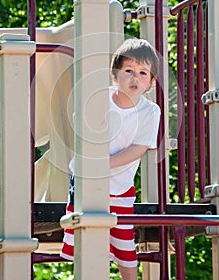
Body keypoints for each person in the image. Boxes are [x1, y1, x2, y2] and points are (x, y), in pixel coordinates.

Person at [61, 38, 161, 280]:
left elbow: (138, 148)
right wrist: (93, 163)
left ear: (151, 82)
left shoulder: (149, 111)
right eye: (128, 71)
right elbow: (79, 120)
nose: (135, 77)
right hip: (86, 181)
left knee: (124, 245)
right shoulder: (99, 99)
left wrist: (104, 164)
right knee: (85, 239)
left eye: (142, 72)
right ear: (115, 75)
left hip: (120, 188)